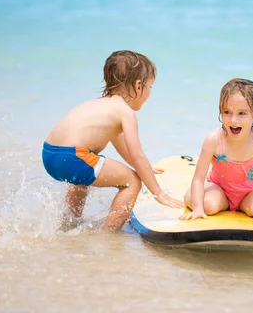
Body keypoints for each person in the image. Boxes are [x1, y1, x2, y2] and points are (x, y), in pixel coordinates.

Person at [42, 50, 185, 229]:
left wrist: (146, 169)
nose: (149, 93)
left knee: (81, 177)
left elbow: (123, 147)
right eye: (150, 87)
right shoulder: (125, 113)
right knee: (132, 182)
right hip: (73, 157)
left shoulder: (99, 106)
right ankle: (108, 233)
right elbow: (137, 155)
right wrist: (159, 193)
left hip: (49, 154)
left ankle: (69, 223)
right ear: (138, 86)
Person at [179, 78, 253, 226]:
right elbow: (198, 178)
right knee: (208, 206)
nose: (233, 120)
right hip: (219, 189)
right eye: (227, 112)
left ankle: (248, 205)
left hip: (250, 193)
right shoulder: (214, 140)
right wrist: (197, 209)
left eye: (242, 113)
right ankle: (190, 195)